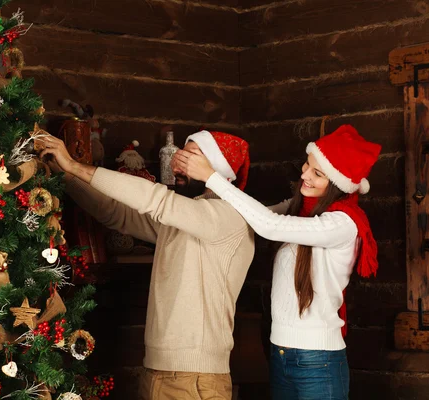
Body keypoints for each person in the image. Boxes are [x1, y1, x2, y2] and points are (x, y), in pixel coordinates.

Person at [39, 130, 255, 400]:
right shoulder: (183, 215)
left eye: (192, 156)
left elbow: (157, 200)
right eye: (181, 152)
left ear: (217, 171)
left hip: (196, 380)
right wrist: (64, 174)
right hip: (155, 372)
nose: (179, 160)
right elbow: (116, 212)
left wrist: (73, 164)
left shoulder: (229, 216)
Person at [172, 125, 382, 400]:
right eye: (307, 165)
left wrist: (211, 177)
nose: (305, 175)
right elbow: (252, 215)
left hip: (317, 361)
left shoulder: (342, 224)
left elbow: (268, 225)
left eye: (317, 173)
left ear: (338, 183)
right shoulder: (301, 210)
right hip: (280, 353)